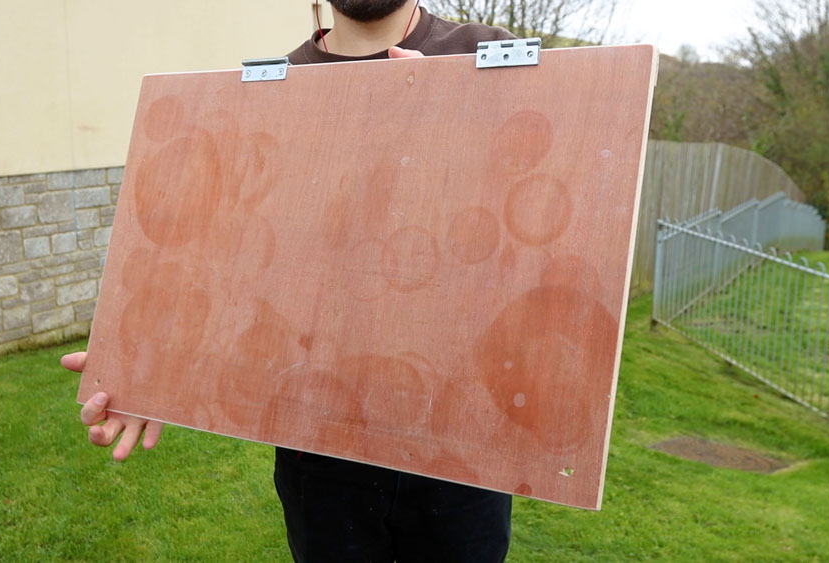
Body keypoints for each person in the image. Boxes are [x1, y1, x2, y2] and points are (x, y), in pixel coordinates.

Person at [63, 1, 516, 561]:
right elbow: (230, 259)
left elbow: (537, 240)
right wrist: (157, 373)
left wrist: (453, 121)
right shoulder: (273, 92)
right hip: (319, 450)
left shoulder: (487, 54)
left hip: (460, 452)